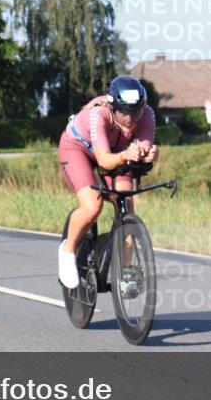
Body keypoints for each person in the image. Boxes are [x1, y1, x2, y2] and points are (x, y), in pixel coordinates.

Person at [58, 75, 159, 289]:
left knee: (126, 210)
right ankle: (67, 252)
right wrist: (126, 155)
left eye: (136, 112)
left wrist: (151, 155)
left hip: (116, 152)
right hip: (78, 148)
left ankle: (128, 271)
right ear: (113, 109)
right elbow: (104, 160)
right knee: (93, 205)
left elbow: (141, 151)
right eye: (123, 113)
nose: (130, 119)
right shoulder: (99, 114)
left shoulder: (148, 115)